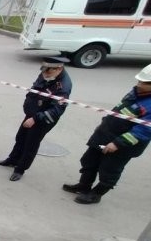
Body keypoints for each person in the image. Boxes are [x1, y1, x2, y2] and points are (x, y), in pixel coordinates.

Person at [62, 64, 151, 204]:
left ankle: (96, 195)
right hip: (105, 134)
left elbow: (144, 130)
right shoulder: (136, 92)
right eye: (139, 80)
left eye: (145, 83)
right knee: (89, 161)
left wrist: (118, 143)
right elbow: (119, 111)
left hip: (122, 145)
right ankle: (83, 186)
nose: (139, 84)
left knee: (109, 170)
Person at [0, 56, 73, 181]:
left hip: (43, 119)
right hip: (32, 114)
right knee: (21, 137)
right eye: (44, 70)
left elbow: (57, 110)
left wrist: (35, 118)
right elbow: (35, 90)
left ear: (59, 69)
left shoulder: (63, 86)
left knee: (31, 144)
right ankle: (12, 160)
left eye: (48, 71)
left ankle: (20, 169)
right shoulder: (47, 73)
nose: (44, 73)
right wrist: (28, 107)